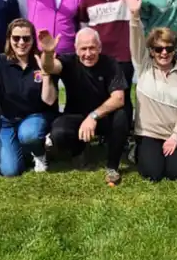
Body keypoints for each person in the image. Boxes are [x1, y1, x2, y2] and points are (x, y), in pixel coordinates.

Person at [122, 0, 177, 182]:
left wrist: (176, 137)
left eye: (169, 48)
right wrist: (135, 16)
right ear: (152, 52)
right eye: (158, 49)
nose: (164, 53)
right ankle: (137, 149)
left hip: (172, 134)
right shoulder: (144, 66)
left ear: (174, 50)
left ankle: (176, 149)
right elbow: (136, 40)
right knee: (153, 174)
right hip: (148, 133)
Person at [43, 28, 129, 185]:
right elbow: (49, 68)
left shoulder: (110, 64)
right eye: (83, 48)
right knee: (59, 133)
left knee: (122, 116)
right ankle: (79, 150)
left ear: (100, 48)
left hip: (102, 117)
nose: (88, 53)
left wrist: (93, 116)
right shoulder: (68, 61)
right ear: (76, 49)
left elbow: (119, 98)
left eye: (92, 48)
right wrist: (48, 53)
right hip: (75, 115)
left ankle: (112, 166)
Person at [0, 22, 58, 176]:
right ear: (9, 40)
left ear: (33, 40)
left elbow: (49, 100)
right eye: (16, 38)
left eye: (26, 38)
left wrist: (45, 73)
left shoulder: (40, 60)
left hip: (34, 116)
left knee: (29, 134)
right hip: (5, 120)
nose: (21, 43)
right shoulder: (0, 62)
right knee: (10, 171)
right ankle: (24, 146)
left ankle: (38, 152)